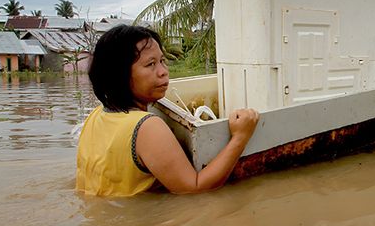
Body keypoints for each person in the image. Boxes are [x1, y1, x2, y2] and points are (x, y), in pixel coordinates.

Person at [76, 25, 259, 196]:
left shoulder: (96, 114)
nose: (163, 71)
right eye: (150, 64)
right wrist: (240, 137)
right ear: (119, 75)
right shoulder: (147, 127)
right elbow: (194, 188)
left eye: (162, 61)